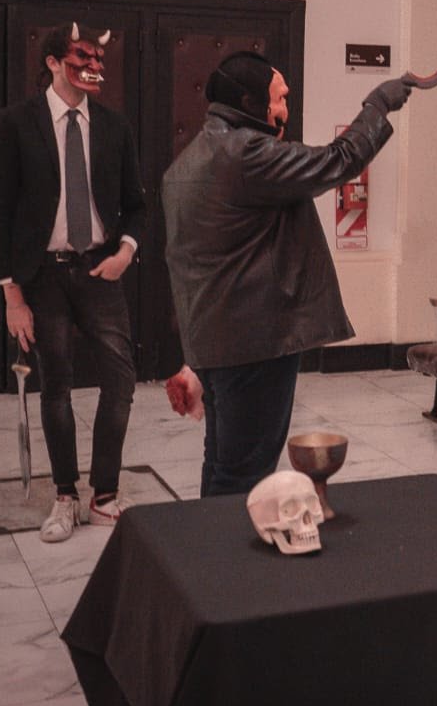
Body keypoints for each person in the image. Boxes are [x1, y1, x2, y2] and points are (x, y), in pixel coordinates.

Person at [161, 52, 408, 496]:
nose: (284, 110)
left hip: (215, 341)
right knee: (244, 474)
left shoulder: (189, 160)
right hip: (254, 344)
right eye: (279, 99)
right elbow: (338, 161)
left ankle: (209, 540)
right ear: (249, 102)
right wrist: (377, 106)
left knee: (222, 463)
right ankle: (231, 544)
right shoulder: (245, 153)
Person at [0, 22, 146, 543]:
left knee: (120, 379)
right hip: (43, 275)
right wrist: (12, 294)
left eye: (98, 59)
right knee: (56, 384)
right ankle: (64, 495)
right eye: (81, 58)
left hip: (100, 267)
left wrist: (126, 251)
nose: (93, 67)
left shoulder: (114, 126)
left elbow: (137, 205)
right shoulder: (16, 123)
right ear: (54, 62)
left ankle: (104, 494)